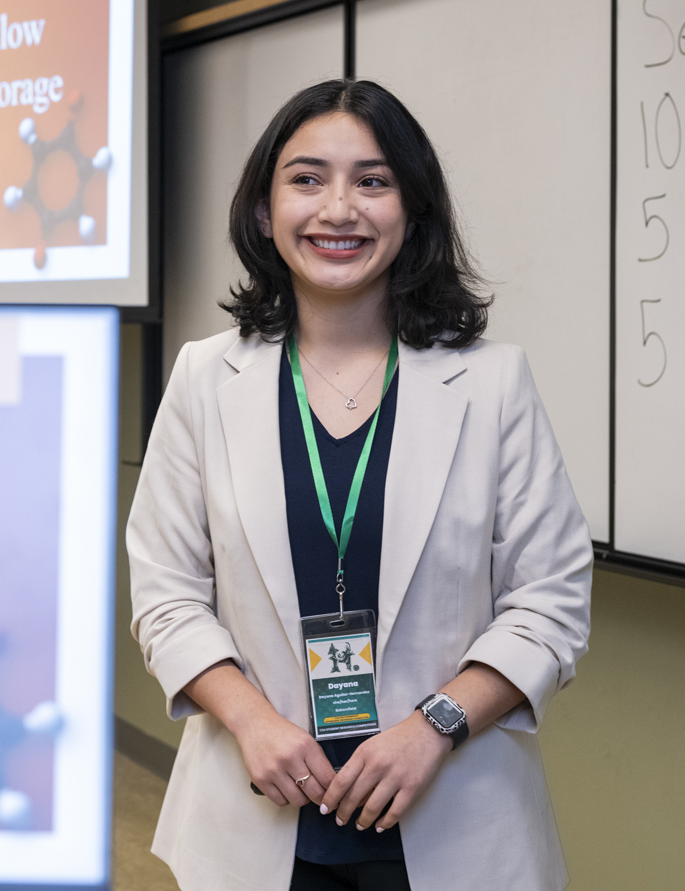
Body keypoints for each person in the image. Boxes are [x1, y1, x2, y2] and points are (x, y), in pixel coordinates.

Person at [126, 79, 592, 891]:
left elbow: (550, 600)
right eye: (306, 179)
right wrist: (251, 719)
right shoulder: (206, 376)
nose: (338, 208)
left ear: (411, 211)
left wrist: (435, 726)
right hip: (254, 812)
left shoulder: (491, 384)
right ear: (265, 210)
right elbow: (165, 592)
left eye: (372, 181)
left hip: (458, 823)